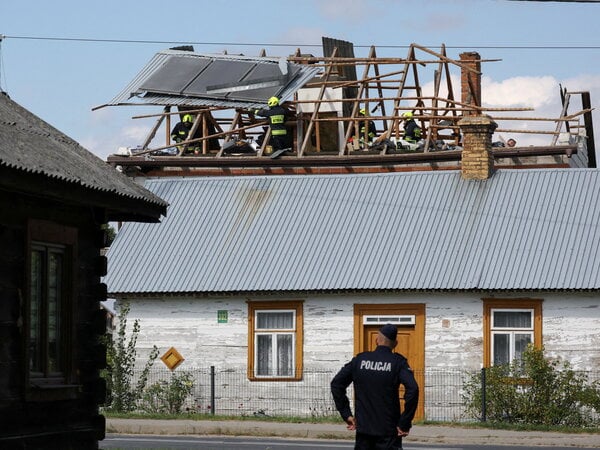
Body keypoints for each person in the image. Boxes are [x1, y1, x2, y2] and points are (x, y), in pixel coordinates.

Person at [331, 324, 419, 450]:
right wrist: (405, 422)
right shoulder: (398, 362)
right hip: (388, 430)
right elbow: (413, 389)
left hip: (363, 429)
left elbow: (336, 384)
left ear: (376, 340)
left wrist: (346, 414)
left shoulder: (359, 360)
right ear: (395, 344)